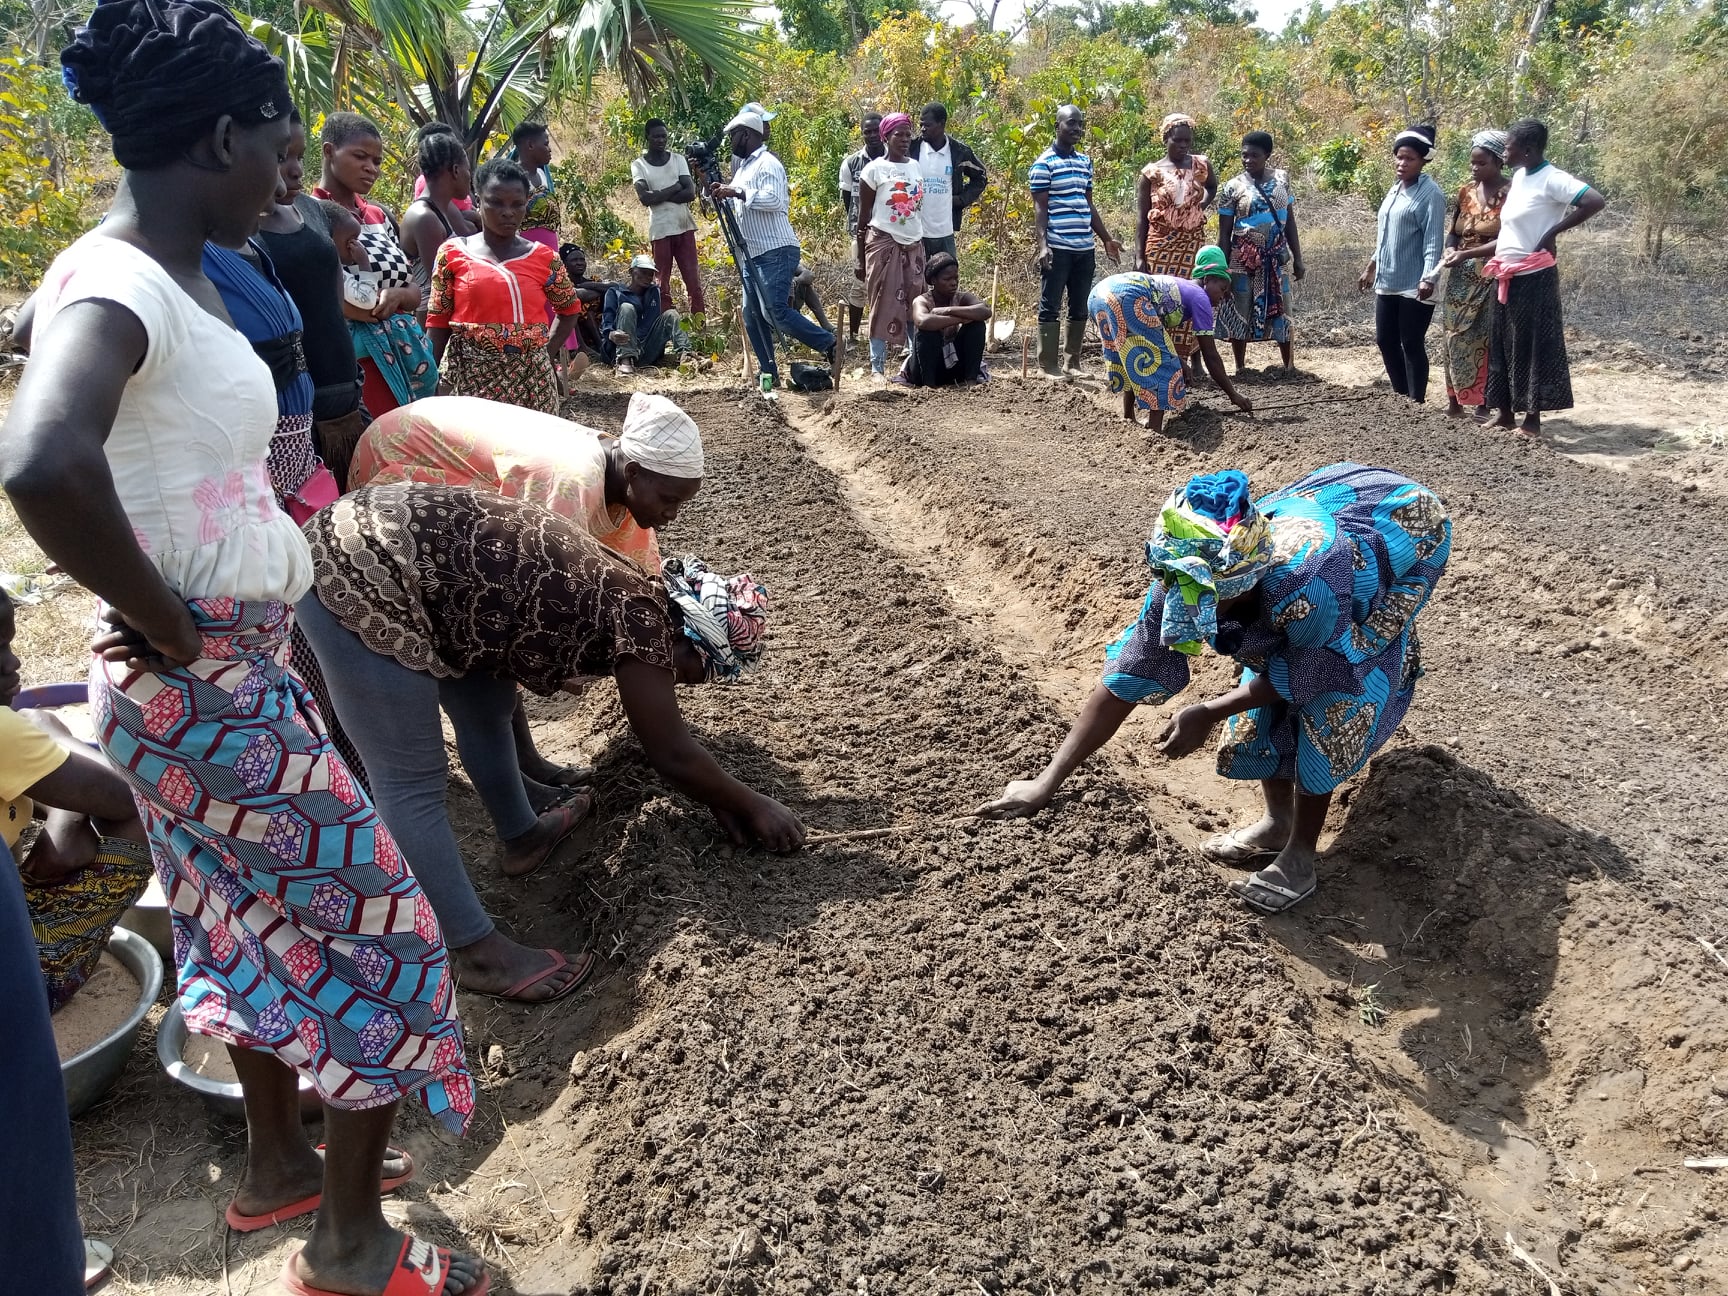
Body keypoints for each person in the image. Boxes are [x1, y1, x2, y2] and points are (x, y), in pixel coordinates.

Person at [7, 5, 484, 1293]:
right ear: (218, 136)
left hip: (211, 678)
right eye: (278, 147)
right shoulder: (114, 284)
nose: (290, 174)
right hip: (203, 681)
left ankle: (278, 1175)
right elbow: (42, 462)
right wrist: (167, 619)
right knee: (389, 934)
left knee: (243, 923)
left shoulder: (166, 275)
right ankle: (347, 1249)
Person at [296, 481, 807, 1003]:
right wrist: (751, 803)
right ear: (692, 640)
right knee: (410, 778)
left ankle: (522, 836)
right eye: (699, 673)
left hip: (443, 570)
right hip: (364, 564)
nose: (686, 684)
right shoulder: (643, 623)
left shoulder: (639, 598)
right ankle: (475, 953)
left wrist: (721, 800)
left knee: (488, 708)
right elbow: (671, 754)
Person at [979, 465, 1451, 916]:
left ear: (1243, 584)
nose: (1186, 602)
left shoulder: (1309, 582)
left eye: (1206, 598)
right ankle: (1276, 822)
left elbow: (1314, 672)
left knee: (1331, 703)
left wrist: (1208, 710)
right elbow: (1132, 667)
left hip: (1406, 534)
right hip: (1312, 541)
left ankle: (1300, 856)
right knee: (1264, 684)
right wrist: (1047, 781)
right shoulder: (1183, 571)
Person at [2, 590, 152, 1013]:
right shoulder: (0, 735)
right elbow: (126, 796)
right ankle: (59, 964)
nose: (13, 663)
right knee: (145, 808)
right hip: (20, 988)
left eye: (9, 644)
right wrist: (67, 824)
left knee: (36, 720)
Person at [254, 109, 369, 490]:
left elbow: (334, 303)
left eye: (300, 157)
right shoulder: (240, 233)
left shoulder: (310, 211)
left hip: (344, 389)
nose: (295, 170)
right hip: (293, 409)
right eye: (281, 157)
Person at [426, 157, 580, 413]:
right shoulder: (452, 253)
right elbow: (438, 323)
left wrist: (544, 353)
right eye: (495, 202)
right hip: (472, 380)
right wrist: (429, 383)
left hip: (532, 383)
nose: (507, 212)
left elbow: (569, 310)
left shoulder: (544, 257)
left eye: (517, 204)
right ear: (478, 201)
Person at [1483, 118, 1606, 435]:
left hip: (1534, 275)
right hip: (1506, 274)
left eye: (1508, 148)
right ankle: (1506, 413)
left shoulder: (1553, 179)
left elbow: (1594, 200)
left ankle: (1532, 421)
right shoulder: (1521, 177)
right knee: (1504, 343)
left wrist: (1553, 232)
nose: (1503, 153)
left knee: (1532, 345)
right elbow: (1513, 229)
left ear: (1527, 149)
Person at [315, 112, 440, 417]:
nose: (371, 168)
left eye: (377, 161)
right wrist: (379, 308)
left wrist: (397, 297)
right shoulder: (311, 216)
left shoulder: (378, 217)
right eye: (361, 156)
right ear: (329, 151)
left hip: (406, 356)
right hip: (356, 365)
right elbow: (327, 297)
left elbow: (412, 288)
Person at [707, 104, 835, 385]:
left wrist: (737, 191)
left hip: (774, 249)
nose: (731, 142)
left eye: (734, 136)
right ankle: (768, 374)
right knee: (751, 315)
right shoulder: (743, 168)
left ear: (746, 135)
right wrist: (718, 191)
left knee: (774, 311)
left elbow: (774, 201)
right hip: (751, 253)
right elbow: (738, 205)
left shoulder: (768, 164)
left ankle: (831, 344)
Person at [1089, 248, 1255, 433]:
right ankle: (1155, 431)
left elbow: (1154, 337)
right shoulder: (1201, 298)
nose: (1222, 298)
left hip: (1100, 294)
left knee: (1134, 355)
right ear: (1207, 279)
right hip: (1127, 295)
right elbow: (1210, 355)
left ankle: (1129, 417)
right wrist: (1234, 395)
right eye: (1222, 290)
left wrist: (1179, 360)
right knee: (1162, 366)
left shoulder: (1183, 288)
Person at [1030, 104, 1122, 380]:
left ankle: (1073, 362)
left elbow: (1088, 205)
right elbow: (1040, 210)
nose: (1077, 129)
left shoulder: (1084, 162)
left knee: (1080, 305)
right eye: (1071, 123)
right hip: (1058, 246)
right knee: (1051, 304)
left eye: (1080, 124)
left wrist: (1106, 239)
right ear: (1057, 126)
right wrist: (1043, 245)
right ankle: (1047, 365)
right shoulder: (1043, 164)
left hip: (1084, 247)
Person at [1360, 124, 1447, 403]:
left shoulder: (1430, 194)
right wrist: (1372, 266)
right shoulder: (1395, 189)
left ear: (1423, 160)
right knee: (1385, 341)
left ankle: (1416, 401)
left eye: (1409, 158)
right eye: (1399, 157)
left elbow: (1434, 240)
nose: (1401, 163)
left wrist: (1429, 278)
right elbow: (1386, 235)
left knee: (1411, 342)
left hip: (1415, 282)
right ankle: (1401, 397)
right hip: (1388, 279)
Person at [1136, 113, 1217, 382]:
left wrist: (1197, 209)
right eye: (1177, 140)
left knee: (1193, 297)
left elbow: (1212, 189)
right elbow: (1141, 216)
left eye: (1187, 141)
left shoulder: (1201, 165)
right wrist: (1139, 255)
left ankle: (1195, 360)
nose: (1183, 146)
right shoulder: (1152, 172)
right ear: (1165, 139)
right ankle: (1168, 360)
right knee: (1163, 300)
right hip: (1160, 244)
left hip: (1191, 243)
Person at [1216, 130, 1304, 376]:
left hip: (1275, 256)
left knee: (1282, 309)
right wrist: (1221, 268)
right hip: (1243, 258)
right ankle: (1241, 367)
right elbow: (1224, 233)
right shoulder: (1232, 187)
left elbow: (1290, 221)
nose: (1248, 160)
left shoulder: (1282, 179)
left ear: (1267, 155)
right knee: (1240, 306)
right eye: (1244, 156)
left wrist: (1298, 257)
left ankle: (1289, 366)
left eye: (1254, 155)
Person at [1440, 130, 1510, 418]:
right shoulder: (1465, 191)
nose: (1475, 168)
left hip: (1490, 275)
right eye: (1473, 163)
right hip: (1458, 277)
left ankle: (1484, 403)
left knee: (1485, 339)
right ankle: (1454, 402)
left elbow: (1509, 237)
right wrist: (1449, 250)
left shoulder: (1512, 194)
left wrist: (1466, 254)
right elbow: (1453, 232)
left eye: (1482, 163)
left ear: (1498, 162)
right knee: (1452, 337)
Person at [855, 111, 925, 380]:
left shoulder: (915, 167)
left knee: (914, 302)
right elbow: (863, 218)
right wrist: (860, 258)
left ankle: (913, 362)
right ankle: (877, 367)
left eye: (908, 134)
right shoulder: (874, 170)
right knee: (882, 303)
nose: (905, 139)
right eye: (899, 134)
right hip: (884, 243)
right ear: (886, 137)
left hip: (914, 243)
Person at [400, 122, 475, 314]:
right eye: (469, 170)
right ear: (456, 171)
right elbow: (442, 285)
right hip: (432, 323)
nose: (470, 176)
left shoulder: (441, 208)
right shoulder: (425, 218)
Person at [632, 119, 704, 316]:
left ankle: (700, 326)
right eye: (656, 136)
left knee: (693, 282)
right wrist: (674, 187)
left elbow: (690, 193)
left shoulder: (678, 159)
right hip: (661, 230)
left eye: (663, 136)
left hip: (684, 226)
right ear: (648, 137)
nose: (660, 140)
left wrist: (658, 195)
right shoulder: (639, 165)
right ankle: (666, 324)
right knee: (661, 283)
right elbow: (645, 198)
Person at [910, 102, 988, 262]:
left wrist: (961, 199)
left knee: (946, 278)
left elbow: (981, 176)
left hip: (945, 232)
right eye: (921, 125)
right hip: (916, 233)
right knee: (917, 281)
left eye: (928, 125)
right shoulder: (912, 149)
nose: (923, 129)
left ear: (942, 124)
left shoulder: (959, 152)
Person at [603, 253, 695, 376]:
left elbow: (652, 323)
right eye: (643, 272)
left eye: (650, 274)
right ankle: (625, 361)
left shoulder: (653, 292)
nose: (647, 277)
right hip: (621, 347)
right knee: (627, 307)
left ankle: (686, 356)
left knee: (671, 314)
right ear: (631, 272)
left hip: (646, 348)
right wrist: (611, 334)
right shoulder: (615, 293)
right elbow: (607, 321)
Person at [906, 253, 990, 387]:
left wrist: (948, 310)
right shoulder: (922, 300)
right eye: (947, 279)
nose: (954, 283)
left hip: (953, 367)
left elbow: (985, 310)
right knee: (928, 332)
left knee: (977, 325)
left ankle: (971, 381)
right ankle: (929, 387)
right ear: (933, 280)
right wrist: (962, 318)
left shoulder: (961, 298)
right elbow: (922, 321)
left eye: (956, 278)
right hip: (925, 370)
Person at [837, 112, 884, 348]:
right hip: (861, 232)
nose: (873, 135)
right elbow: (849, 201)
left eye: (877, 130)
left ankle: (885, 335)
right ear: (862, 133)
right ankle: (854, 336)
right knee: (859, 282)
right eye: (868, 131)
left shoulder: (895, 159)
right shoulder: (851, 163)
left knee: (888, 283)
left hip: (889, 231)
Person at [512, 121, 560, 255]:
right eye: (545, 144)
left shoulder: (541, 174)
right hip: (526, 254)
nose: (549, 149)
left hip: (550, 254)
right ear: (530, 145)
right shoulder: (513, 179)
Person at [559, 242, 606, 378]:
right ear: (564, 264)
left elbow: (614, 286)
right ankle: (582, 346)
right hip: (574, 330)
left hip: (596, 327)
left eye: (582, 259)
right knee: (576, 306)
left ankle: (601, 344)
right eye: (574, 260)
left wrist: (587, 285)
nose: (579, 263)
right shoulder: (562, 282)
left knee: (611, 297)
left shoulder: (592, 280)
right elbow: (576, 294)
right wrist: (596, 290)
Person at [789, 262, 834, 337]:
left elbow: (809, 275)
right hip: (774, 314)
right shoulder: (768, 264)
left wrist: (795, 281)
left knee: (805, 285)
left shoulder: (786, 261)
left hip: (792, 309)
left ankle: (826, 325)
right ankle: (787, 328)